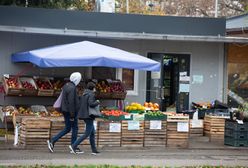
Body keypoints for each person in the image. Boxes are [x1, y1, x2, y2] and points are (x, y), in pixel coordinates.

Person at [47, 72, 82, 153]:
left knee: (68, 128)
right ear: (77, 79)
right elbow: (71, 102)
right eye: (79, 79)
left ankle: (53, 141)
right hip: (71, 112)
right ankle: (73, 146)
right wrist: (73, 115)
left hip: (65, 110)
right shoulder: (72, 88)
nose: (79, 81)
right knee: (74, 128)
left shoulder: (66, 86)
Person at [69, 81, 100, 155]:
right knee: (87, 133)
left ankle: (94, 150)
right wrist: (97, 102)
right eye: (95, 87)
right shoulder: (91, 94)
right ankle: (73, 146)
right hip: (89, 116)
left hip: (85, 115)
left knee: (92, 133)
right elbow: (91, 104)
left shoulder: (84, 93)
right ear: (93, 88)